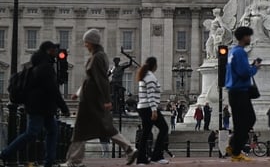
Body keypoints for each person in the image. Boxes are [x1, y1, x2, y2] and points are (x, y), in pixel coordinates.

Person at [64, 29, 138, 167]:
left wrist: (107, 100)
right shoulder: (98, 56)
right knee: (104, 128)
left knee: (81, 129)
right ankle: (129, 148)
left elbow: (101, 79)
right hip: (90, 98)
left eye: (86, 41)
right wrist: (78, 93)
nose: (85, 44)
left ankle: (74, 161)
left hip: (90, 100)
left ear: (92, 42)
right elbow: (90, 79)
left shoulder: (97, 57)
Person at [0, 41, 71, 167]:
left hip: (42, 106)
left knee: (52, 131)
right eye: (54, 50)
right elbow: (53, 89)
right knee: (32, 132)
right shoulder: (45, 67)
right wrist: (64, 107)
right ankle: (5, 154)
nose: (57, 52)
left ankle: (49, 161)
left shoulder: (40, 65)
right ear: (48, 51)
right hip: (39, 107)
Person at [225, 26, 262, 162]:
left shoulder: (232, 51)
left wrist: (250, 67)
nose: (250, 39)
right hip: (240, 91)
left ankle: (233, 147)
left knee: (240, 121)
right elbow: (243, 73)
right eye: (249, 36)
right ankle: (235, 150)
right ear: (244, 37)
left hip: (234, 91)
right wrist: (255, 68)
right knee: (248, 120)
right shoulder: (240, 52)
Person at [136, 57, 169, 165]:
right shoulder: (150, 77)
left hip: (143, 107)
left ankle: (141, 158)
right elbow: (150, 95)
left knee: (146, 133)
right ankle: (157, 156)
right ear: (154, 65)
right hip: (149, 108)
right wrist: (154, 110)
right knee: (164, 128)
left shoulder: (144, 75)